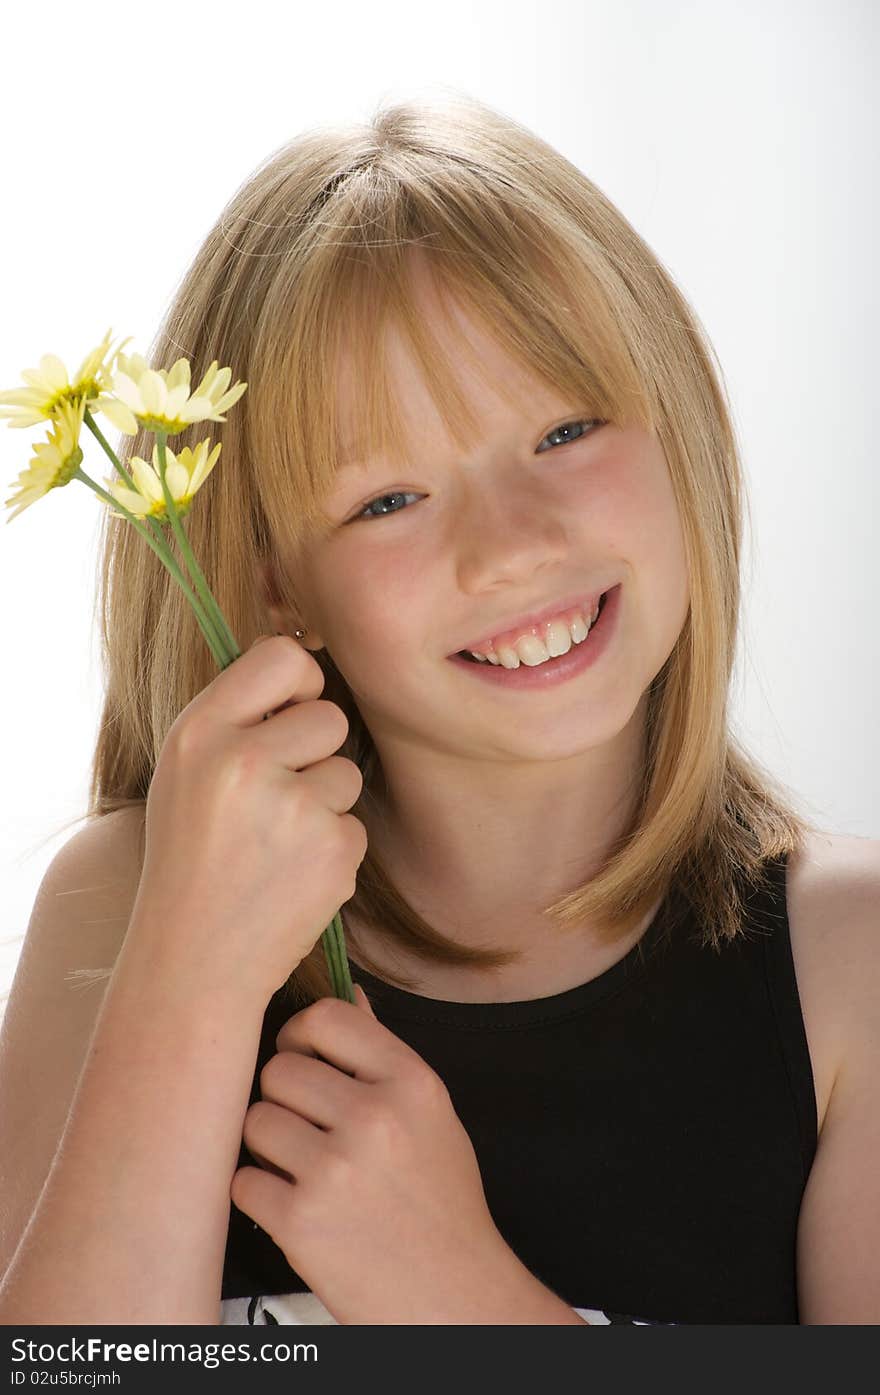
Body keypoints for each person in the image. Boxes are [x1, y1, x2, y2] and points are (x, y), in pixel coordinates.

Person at [0, 93, 877, 1328]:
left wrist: (456, 1298)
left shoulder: (853, 968)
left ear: (683, 433)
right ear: (270, 582)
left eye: (565, 430)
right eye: (389, 501)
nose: (513, 548)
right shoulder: (126, 905)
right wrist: (188, 982)